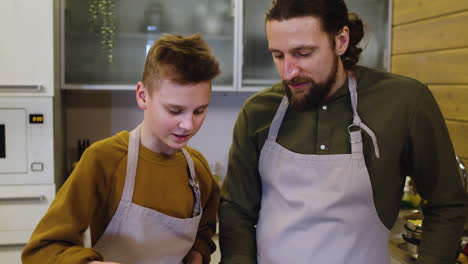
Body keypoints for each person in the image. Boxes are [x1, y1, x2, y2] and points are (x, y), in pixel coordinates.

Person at [218, 0, 467, 263]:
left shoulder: (405, 103)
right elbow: (236, 211)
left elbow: (446, 205)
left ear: (341, 41)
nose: (288, 72)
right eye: (278, 55)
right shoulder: (257, 112)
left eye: (303, 53)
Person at [22, 33, 221, 264]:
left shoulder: (198, 170)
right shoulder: (103, 160)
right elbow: (42, 250)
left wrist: (197, 254)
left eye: (199, 111)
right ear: (142, 96)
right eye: (175, 111)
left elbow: (203, 233)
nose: (188, 125)